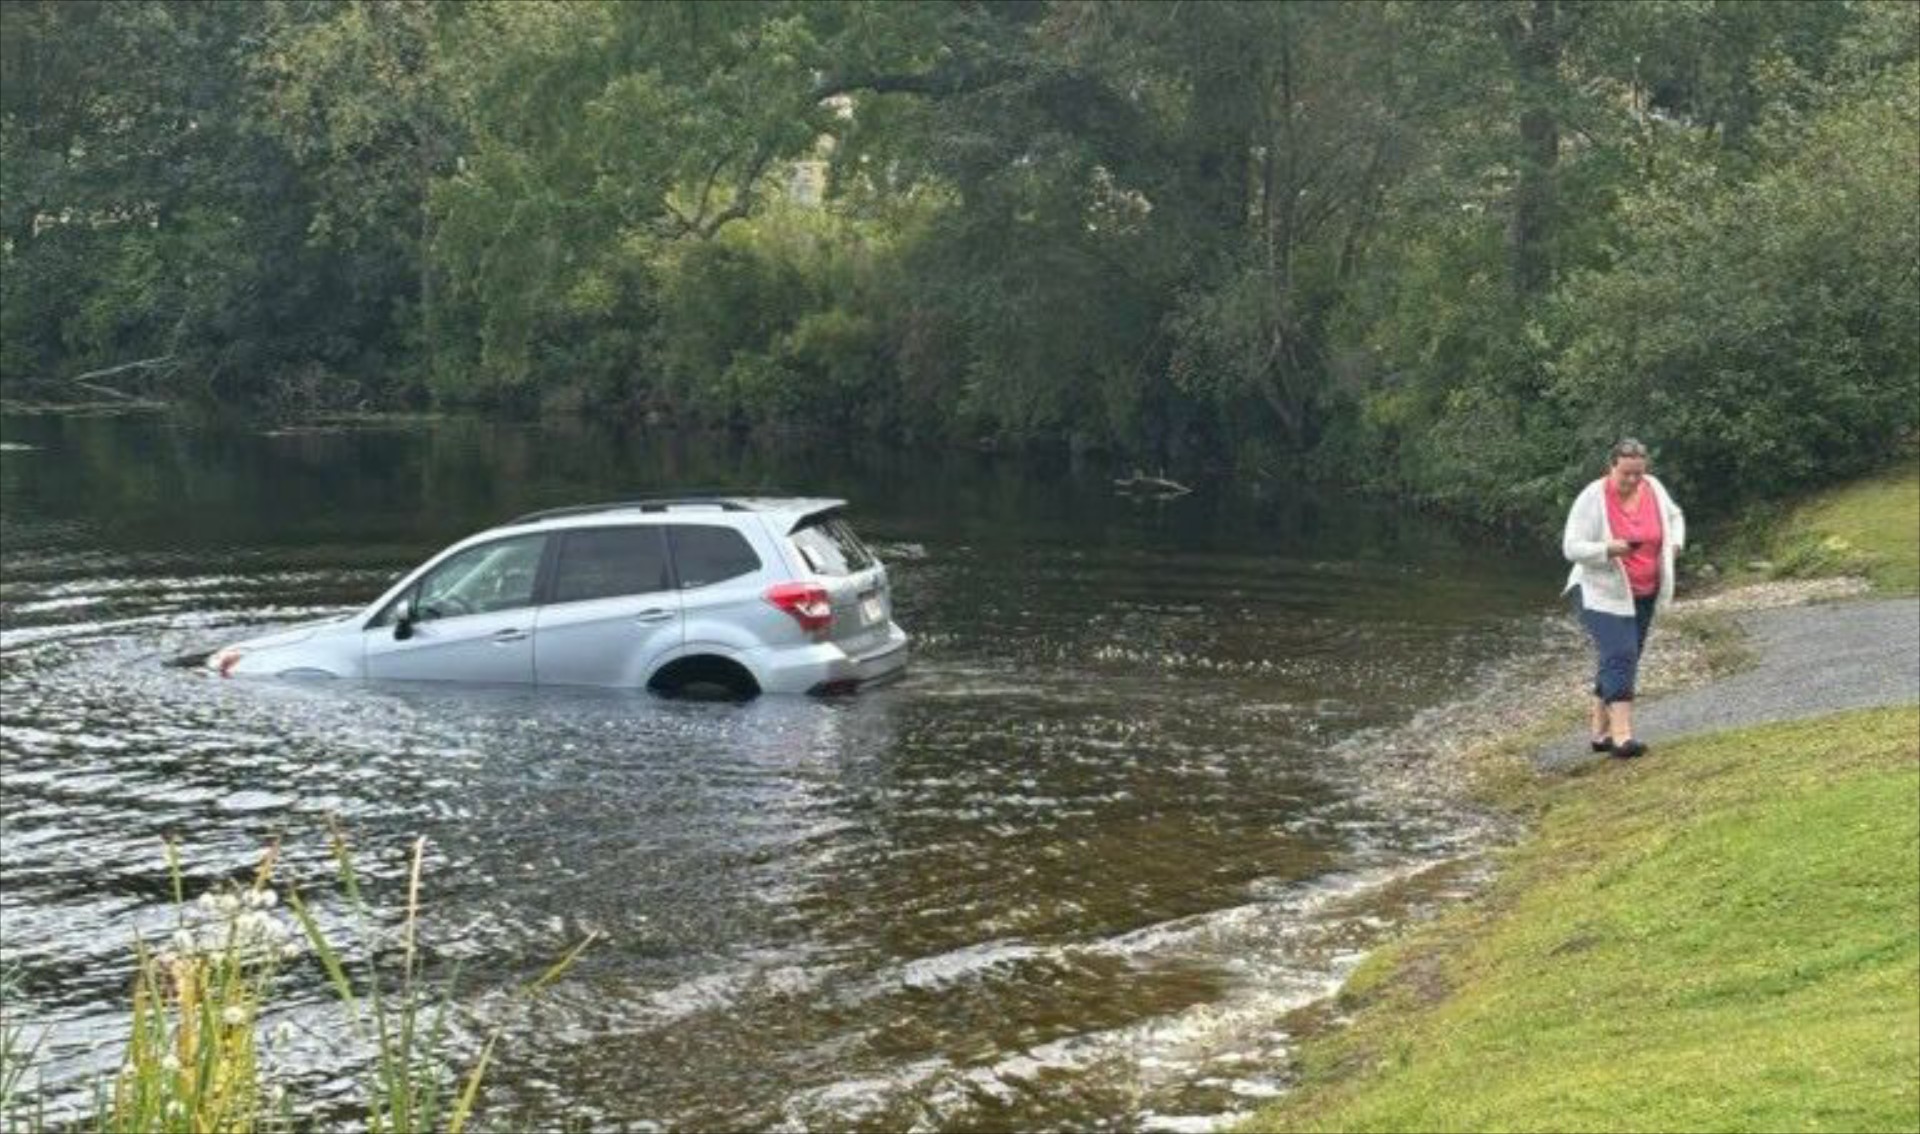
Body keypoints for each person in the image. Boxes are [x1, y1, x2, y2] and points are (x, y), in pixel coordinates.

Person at [1562, 438, 1687, 758]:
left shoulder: (1654, 488)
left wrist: (1675, 544)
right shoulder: (1592, 497)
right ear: (1611, 467)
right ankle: (1622, 737)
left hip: (1644, 591)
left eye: (1638, 473)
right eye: (1626, 474)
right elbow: (1571, 547)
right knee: (1621, 653)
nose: (1632, 480)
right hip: (1599, 592)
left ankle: (1599, 733)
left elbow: (1675, 517)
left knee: (1622, 657)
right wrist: (1607, 549)